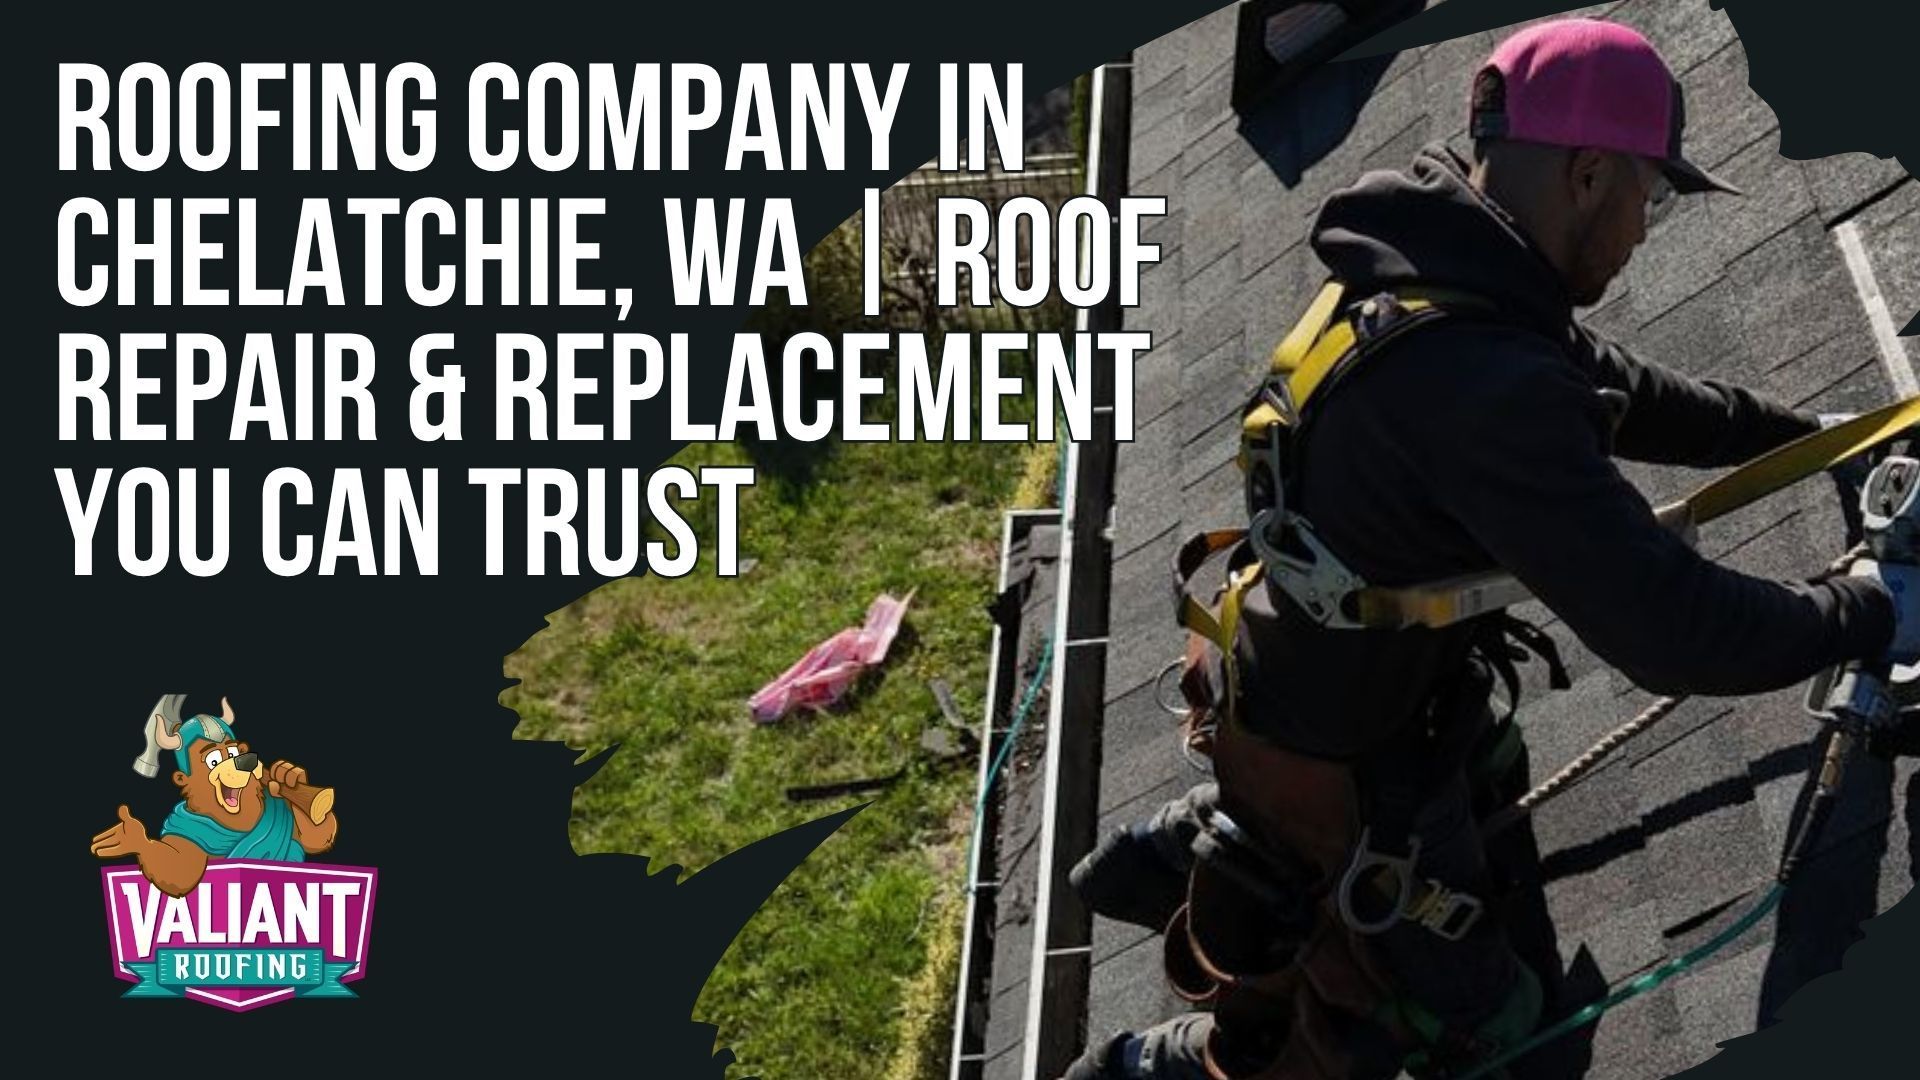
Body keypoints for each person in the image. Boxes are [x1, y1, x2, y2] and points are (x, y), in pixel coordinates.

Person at [1064, 17, 1917, 1080]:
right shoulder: (1485, 390)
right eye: (1651, 198)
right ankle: (1202, 1053)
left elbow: (1626, 396)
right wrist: (1875, 606)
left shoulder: (1438, 261)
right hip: (1344, 767)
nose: (1648, 227)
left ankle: (1224, 851)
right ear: (1592, 173)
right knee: (1483, 1034)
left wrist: (1826, 438)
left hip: (1292, 676)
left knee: (1444, 815)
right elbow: (1680, 630)